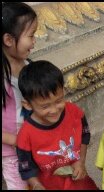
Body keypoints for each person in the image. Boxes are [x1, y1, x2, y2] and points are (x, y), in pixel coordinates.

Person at [16, 60, 98, 190]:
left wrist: (80, 161)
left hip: (80, 184)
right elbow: (27, 170)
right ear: (28, 105)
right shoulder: (25, 135)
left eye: (59, 100)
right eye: (45, 106)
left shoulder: (75, 113)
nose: (54, 110)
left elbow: (85, 136)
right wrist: (37, 185)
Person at [2, 2, 38, 190]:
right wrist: (16, 141)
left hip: (32, 143)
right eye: (31, 35)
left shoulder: (27, 65)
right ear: (9, 40)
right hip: (12, 152)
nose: (34, 41)